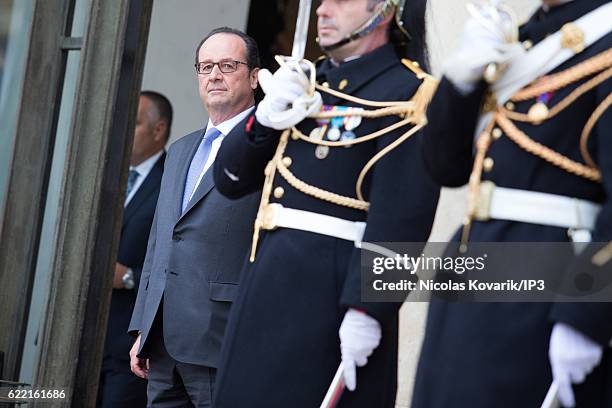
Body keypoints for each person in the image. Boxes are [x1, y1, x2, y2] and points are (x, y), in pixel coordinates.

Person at [212, 1, 439, 406]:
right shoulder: (307, 86)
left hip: (331, 301)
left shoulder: (409, 94)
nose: (323, 10)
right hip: (266, 287)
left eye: (341, 1)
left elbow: (403, 216)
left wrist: (368, 309)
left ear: (384, 11)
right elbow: (229, 179)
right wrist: (264, 117)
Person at [413, 0, 612, 407]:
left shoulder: (602, 38)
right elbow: (444, 167)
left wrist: (587, 313)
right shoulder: (522, 41)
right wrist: (461, 83)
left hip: (547, 289)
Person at [127, 27, 261, 407]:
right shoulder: (181, 149)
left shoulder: (269, 147)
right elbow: (160, 243)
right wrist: (142, 327)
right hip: (162, 345)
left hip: (223, 341)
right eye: (205, 67)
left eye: (227, 65)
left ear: (253, 76)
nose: (214, 75)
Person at [98, 91, 170, 408]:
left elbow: (174, 261)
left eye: (136, 123)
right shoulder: (105, 172)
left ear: (159, 130)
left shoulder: (173, 180)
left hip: (129, 342)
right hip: (82, 337)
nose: (126, 131)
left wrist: (129, 277)